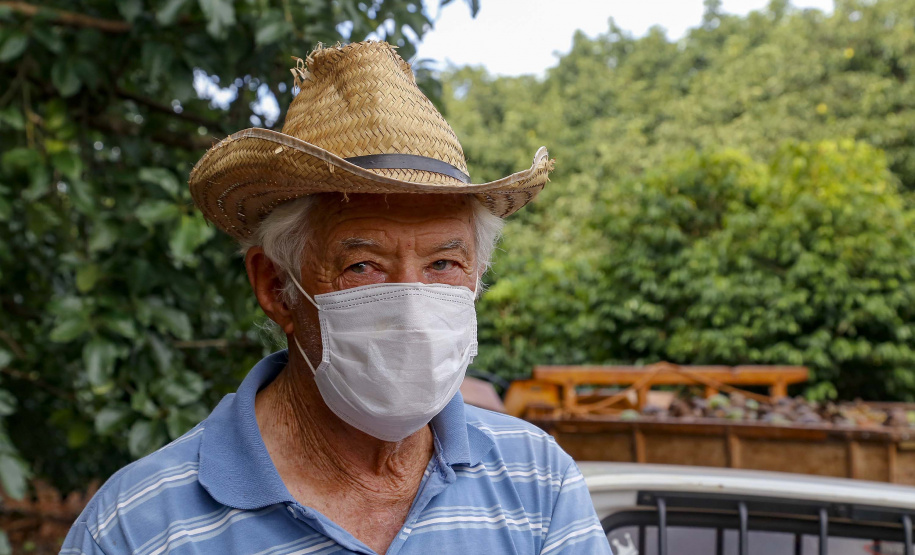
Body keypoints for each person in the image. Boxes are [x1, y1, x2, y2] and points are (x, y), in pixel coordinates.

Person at [61, 41, 612, 555]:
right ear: (275, 287)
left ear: (476, 277)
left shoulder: (538, 482)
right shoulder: (137, 527)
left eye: (443, 264)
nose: (412, 306)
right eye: (362, 266)